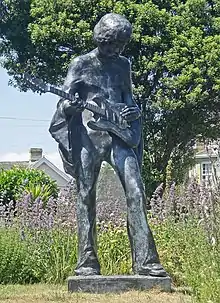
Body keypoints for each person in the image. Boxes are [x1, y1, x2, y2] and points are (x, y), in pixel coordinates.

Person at [49, 13, 167, 277]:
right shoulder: (80, 64)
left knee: (136, 191)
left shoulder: (123, 65)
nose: (117, 50)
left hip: (119, 135)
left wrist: (132, 112)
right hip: (89, 139)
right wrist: (71, 106)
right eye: (112, 44)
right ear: (101, 39)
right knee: (85, 195)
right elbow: (63, 104)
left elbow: (129, 100)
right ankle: (87, 263)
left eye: (121, 45)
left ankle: (146, 262)